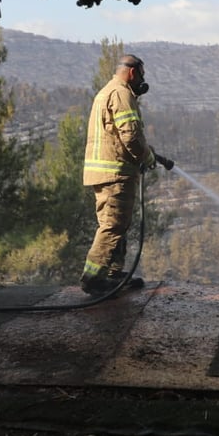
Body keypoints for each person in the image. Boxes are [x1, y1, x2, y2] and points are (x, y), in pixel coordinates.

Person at [81, 54, 173, 296]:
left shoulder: (107, 92)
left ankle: (112, 273)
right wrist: (146, 157)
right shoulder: (122, 94)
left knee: (117, 224)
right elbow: (130, 136)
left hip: (107, 172)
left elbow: (119, 137)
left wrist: (149, 154)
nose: (142, 81)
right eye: (141, 75)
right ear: (133, 73)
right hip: (115, 173)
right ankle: (93, 278)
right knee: (112, 226)